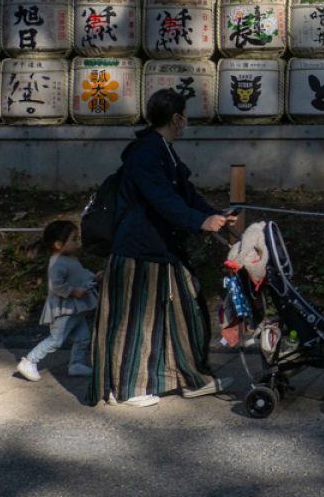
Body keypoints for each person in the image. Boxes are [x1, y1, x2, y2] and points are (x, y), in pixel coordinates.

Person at [88, 88, 236, 408]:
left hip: (163, 248)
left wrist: (212, 215)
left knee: (188, 312)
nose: (186, 123)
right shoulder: (144, 153)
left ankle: (190, 378)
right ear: (175, 118)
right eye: (184, 116)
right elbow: (163, 200)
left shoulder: (164, 151)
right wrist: (199, 222)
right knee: (134, 323)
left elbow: (186, 194)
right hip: (138, 250)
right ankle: (126, 387)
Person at [16, 220, 99, 382]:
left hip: (74, 309)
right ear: (58, 244)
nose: (78, 242)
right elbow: (56, 286)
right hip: (63, 310)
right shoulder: (57, 263)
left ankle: (76, 364)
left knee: (83, 337)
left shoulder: (70, 259)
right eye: (74, 239)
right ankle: (29, 361)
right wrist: (73, 291)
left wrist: (94, 277)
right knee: (56, 339)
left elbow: (81, 274)